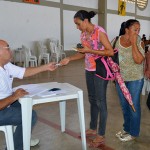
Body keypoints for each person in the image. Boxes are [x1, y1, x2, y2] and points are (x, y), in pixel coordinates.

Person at [60, 10, 114, 148]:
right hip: (89, 69)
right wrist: (69, 58)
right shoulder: (83, 34)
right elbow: (83, 54)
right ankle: (93, 128)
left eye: (78, 24)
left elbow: (110, 51)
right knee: (92, 99)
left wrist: (91, 51)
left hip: (100, 70)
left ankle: (101, 135)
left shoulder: (99, 32)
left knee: (101, 102)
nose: (77, 27)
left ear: (85, 21)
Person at [0, 39, 57, 150]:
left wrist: (46, 67)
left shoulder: (6, 65)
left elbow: (24, 72)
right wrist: (13, 97)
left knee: (26, 105)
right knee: (30, 116)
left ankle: (22, 138)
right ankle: (17, 146)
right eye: (8, 48)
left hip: (6, 102)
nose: (11, 51)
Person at [113, 19, 145, 142]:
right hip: (120, 79)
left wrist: (133, 43)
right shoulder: (116, 40)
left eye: (139, 30)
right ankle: (126, 128)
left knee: (134, 105)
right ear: (127, 30)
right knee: (124, 105)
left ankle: (134, 132)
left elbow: (138, 60)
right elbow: (110, 56)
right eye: (135, 29)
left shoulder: (139, 42)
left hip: (135, 79)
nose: (137, 32)